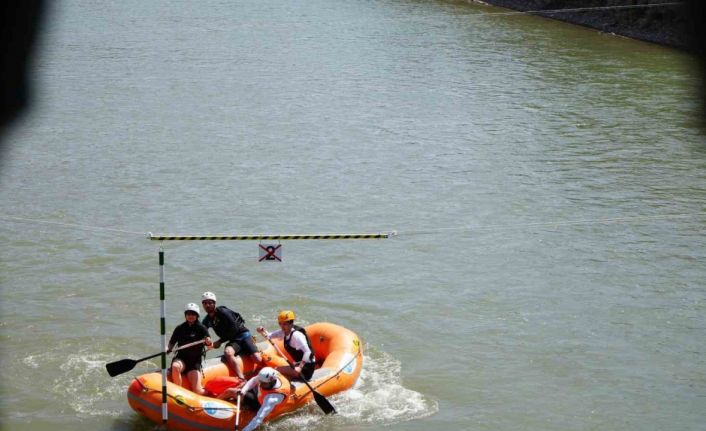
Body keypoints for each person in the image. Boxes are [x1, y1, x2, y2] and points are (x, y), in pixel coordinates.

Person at [200, 291, 262, 379]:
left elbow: (234, 329)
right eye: (205, 303)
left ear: (214, 303)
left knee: (257, 359)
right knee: (228, 353)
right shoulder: (207, 320)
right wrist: (207, 342)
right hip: (233, 341)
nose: (207, 305)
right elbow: (202, 332)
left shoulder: (223, 312)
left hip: (243, 335)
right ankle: (241, 378)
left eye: (210, 302)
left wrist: (220, 341)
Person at [225, 367, 291, 431]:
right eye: (260, 382)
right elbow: (254, 380)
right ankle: (219, 400)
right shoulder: (269, 377)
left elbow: (259, 418)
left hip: (261, 404)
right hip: (260, 395)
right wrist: (243, 391)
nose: (260, 385)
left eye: (264, 383)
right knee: (236, 388)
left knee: (231, 391)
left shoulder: (272, 399)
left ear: (272, 381)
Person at [257, 310, 316, 381]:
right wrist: (262, 331)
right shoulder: (284, 331)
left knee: (276, 370)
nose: (282, 326)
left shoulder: (296, 335)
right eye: (280, 323)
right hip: (297, 364)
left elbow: (308, 352)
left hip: (307, 367)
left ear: (291, 323)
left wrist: (300, 367)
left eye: (285, 324)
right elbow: (269, 336)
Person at [167, 303, 212, 395]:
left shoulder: (202, 328)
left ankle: (210, 393)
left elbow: (210, 347)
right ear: (185, 315)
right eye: (188, 314)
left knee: (197, 391)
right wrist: (168, 349)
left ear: (197, 316)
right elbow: (171, 343)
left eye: (193, 314)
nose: (191, 316)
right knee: (175, 366)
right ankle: (178, 394)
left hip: (194, 362)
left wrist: (208, 342)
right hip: (181, 358)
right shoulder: (180, 328)